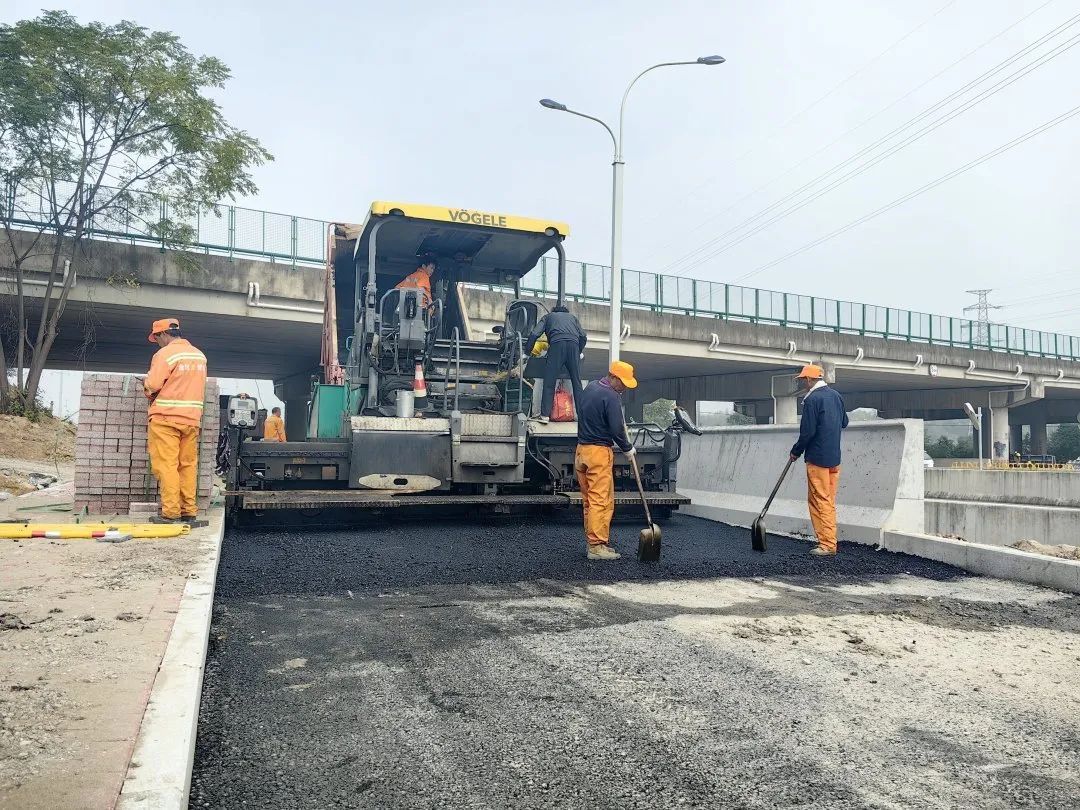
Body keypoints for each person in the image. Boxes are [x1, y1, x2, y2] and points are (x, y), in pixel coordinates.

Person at [143, 318, 207, 525]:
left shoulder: (164, 354)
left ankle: (170, 513)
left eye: (156, 338)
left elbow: (153, 384)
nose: (157, 343)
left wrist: (146, 385)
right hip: (191, 420)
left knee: (167, 465)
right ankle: (189, 511)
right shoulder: (199, 355)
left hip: (165, 418)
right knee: (187, 466)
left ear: (163, 334)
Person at [574, 360, 638, 561]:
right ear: (613, 377)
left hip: (581, 450)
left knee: (589, 500)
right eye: (623, 383)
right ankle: (597, 546)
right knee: (600, 500)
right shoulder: (611, 396)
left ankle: (593, 542)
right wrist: (627, 448)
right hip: (599, 453)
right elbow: (616, 428)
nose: (624, 388)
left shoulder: (590, 388)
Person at [789, 364, 848, 556]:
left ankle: (827, 544)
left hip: (817, 458)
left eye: (802, 380)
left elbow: (807, 432)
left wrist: (796, 451)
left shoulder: (812, 399)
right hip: (834, 458)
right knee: (828, 500)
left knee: (818, 500)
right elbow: (844, 422)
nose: (801, 383)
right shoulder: (836, 396)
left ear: (808, 379)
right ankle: (827, 540)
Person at [525, 304, 587, 423]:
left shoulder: (548, 317)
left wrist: (527, 352)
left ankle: (545, 416)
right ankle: (582, 416)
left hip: (557, 345)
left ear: (554, 311)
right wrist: (578, 351)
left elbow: (534, 334)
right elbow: (583, 336)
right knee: (577, 383)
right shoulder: (573, 318)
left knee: (550, 381)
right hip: (574, 346)